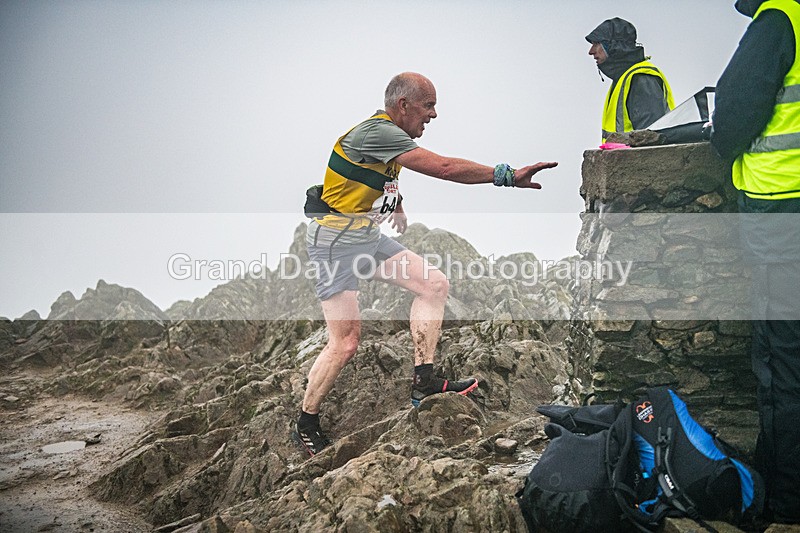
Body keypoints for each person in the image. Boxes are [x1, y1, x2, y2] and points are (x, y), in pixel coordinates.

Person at [293, 72, 558, 456]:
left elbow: (378, 175)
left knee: (433, 284)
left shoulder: (389, 139)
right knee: (346, 342)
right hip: (335, 244)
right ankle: (306, 421)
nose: (433, 115)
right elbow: (445, 168)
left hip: (365, 237)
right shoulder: (377, 133)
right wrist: (506, 176)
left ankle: (424, 381)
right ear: (404, 105)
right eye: (428, 105)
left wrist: (396, 205)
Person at [710, 0, 800, 524]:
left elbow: (738, 109)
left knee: (782, 354)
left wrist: (723, 145)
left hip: (783, 210)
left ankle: (785, 495)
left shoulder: (779, 20)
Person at [586, 17, 675, 142]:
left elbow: (650, 141)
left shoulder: (641, 78)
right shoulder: (624, 79)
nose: (591, 51)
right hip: (622, 160)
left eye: (596, 44)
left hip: (639, 161)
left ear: (613, 46)